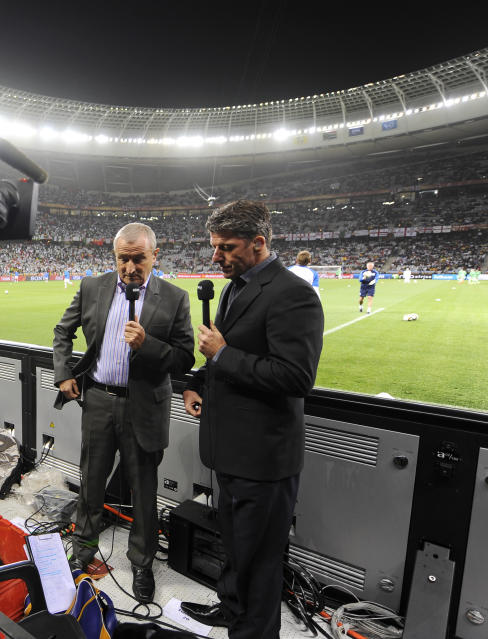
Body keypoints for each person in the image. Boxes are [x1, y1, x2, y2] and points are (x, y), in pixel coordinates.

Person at [179, 200, 323, 639]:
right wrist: (196, 384)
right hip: (231, 451)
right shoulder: (235, 286)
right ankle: (230, 609)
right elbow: (222, 360)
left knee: (260, 562)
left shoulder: (293, 294)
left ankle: (254, 631)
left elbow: (296, 377)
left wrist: (222, 353)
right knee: (237, 546)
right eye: (214, 246)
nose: (216, 256)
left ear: (259, 243)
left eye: (226, 247)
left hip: (264, 460)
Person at [53, 222, 194, 604]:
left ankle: (142, 563)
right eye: (123, 258)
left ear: (154, 256)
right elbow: (62, 332)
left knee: (143, 490)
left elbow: (184, 359)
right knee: (91, 483)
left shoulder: (175, 298)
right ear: (115, 257)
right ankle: (82, 552)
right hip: (98, 400)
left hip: (144, 406)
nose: (130, 267)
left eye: (139, 258)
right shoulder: (91, 287)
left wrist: (148, 344)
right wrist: (64, 373)